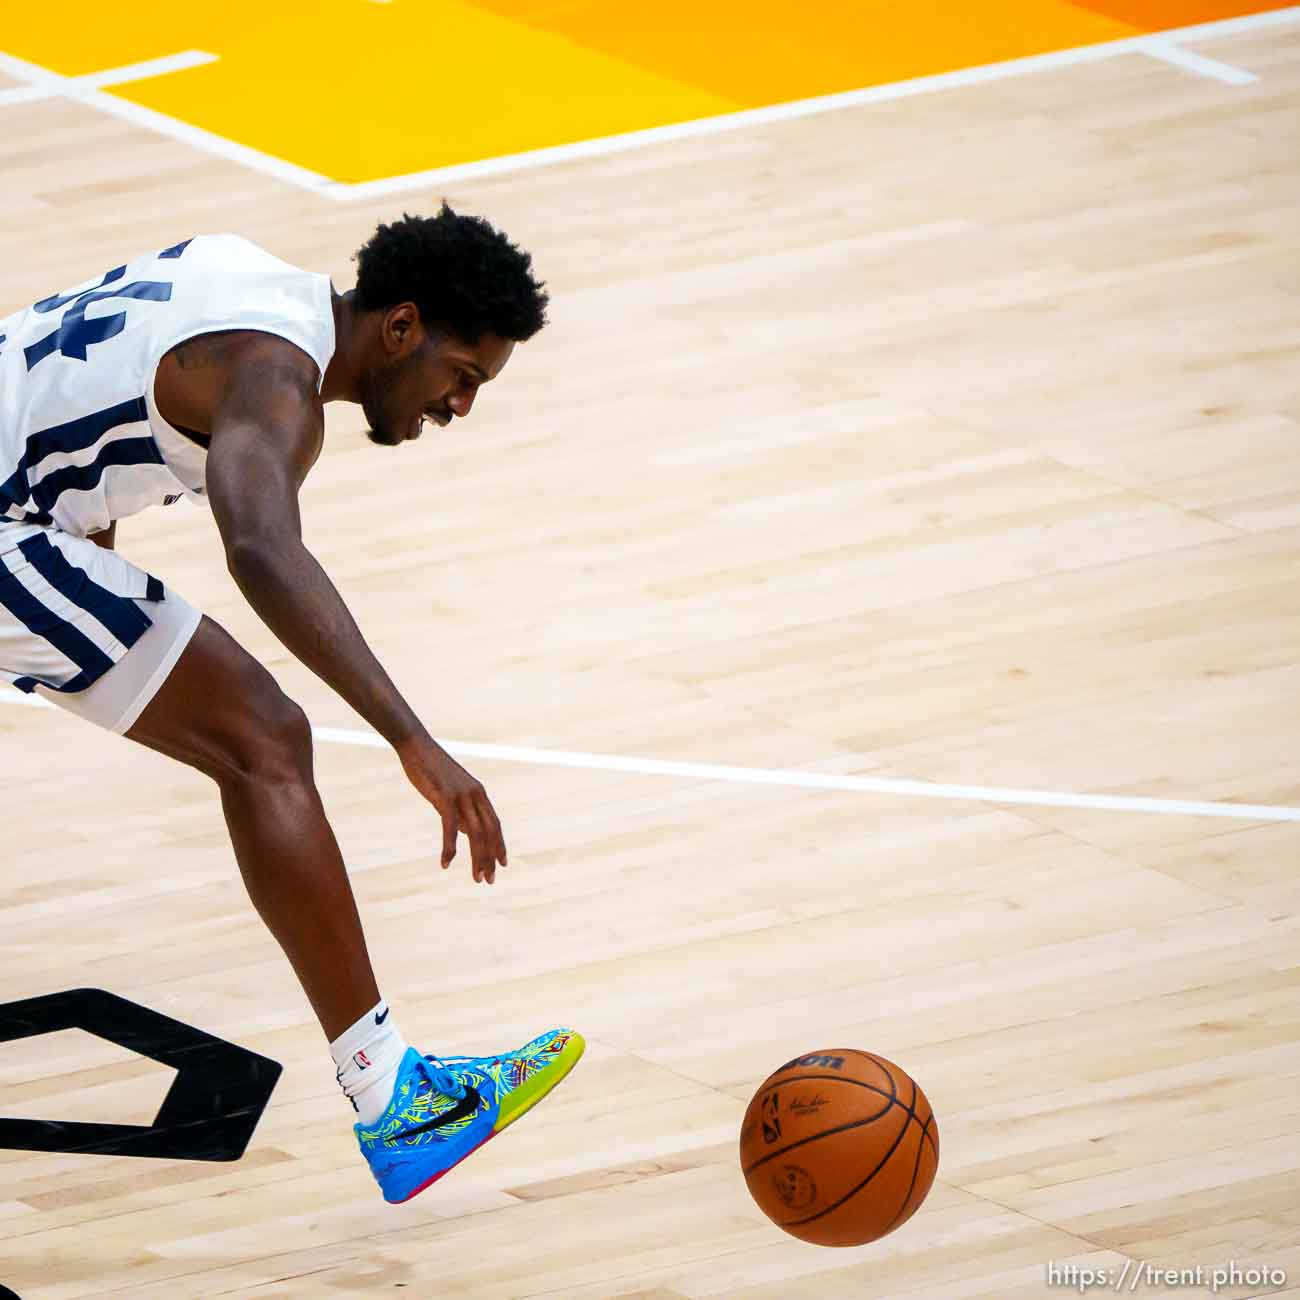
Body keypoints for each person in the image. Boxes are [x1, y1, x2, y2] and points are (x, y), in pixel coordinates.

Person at [0, 204, 583, 1204]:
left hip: (29, 508)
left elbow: (72, 404)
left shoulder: (243, 271)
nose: (460, 405)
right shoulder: (279, 385)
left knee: (262, 735)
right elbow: (260, 546)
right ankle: (393, 1095)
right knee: (265, 738)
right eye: (464, 376)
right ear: (398, 327)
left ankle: (389, 1088)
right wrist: (413, 738)